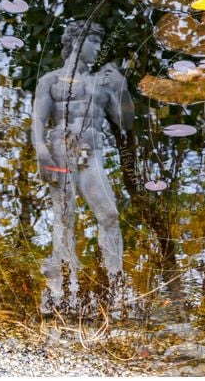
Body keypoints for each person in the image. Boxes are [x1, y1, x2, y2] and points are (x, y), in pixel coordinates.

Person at [31, 21, 134, 311]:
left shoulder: (103, 80)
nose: (99, 49)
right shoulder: (50, 80)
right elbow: (38, 120)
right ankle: (64, 287)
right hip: (60, 150)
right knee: (65, 216)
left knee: (110, 214)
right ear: (78, 42)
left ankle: (115, 285)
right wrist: (41, 153)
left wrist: (121, 86)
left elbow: (125, 120)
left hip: (93, 151)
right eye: (95, 42)